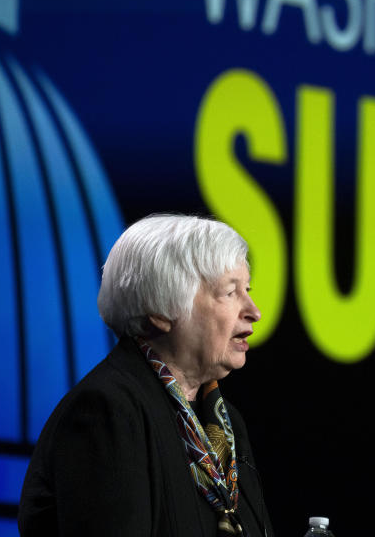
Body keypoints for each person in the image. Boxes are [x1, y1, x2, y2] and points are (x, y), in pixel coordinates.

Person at [19, 214, 273, 537]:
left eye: (247, 289)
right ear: (161, 310)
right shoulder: (108, 413)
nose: (254, 310)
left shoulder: (225, 425)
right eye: (230, 293)